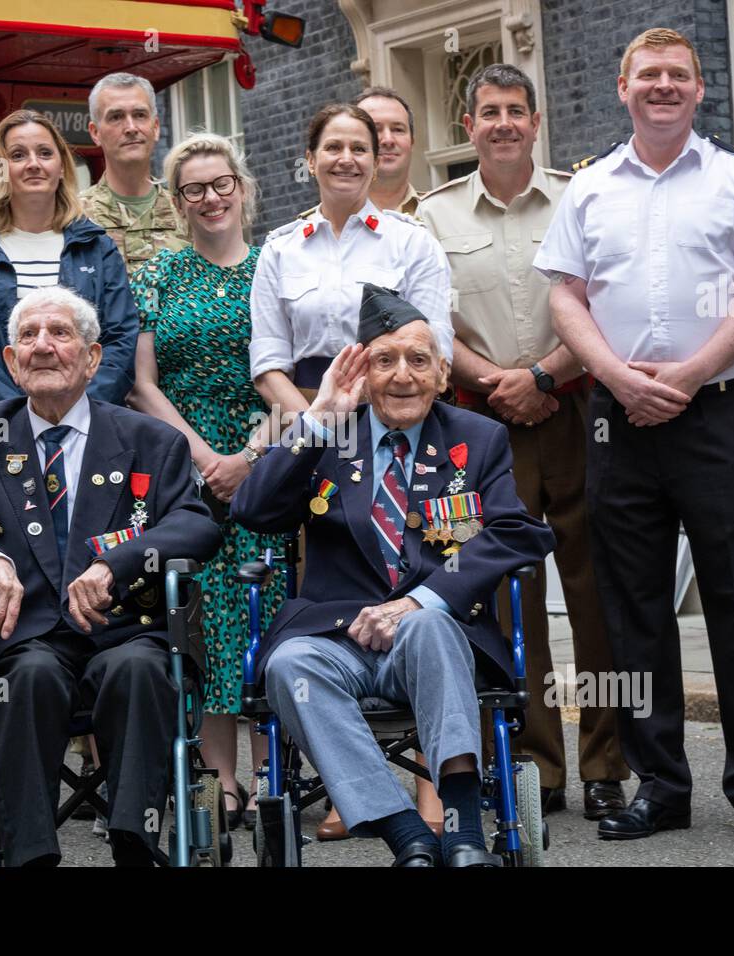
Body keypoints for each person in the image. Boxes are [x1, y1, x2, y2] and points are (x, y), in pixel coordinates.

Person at [534, 28, 734, 844]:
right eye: (647, 75)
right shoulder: (589, 189)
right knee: (631, 610)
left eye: (677, 75)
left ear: (697, 89)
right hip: (619, 416)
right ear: (623, 87)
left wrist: (685, 377)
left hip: (715, 411)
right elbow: (566, 298)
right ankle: (661, 785)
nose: (662, 86)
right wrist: (617, 378)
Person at [231, 286, 556, 866]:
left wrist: (422, 600)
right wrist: (319, 416)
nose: (402, 376)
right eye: (384, 361)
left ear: (442, 374)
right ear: (362, 374)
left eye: (418, 360)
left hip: (437, 640)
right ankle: (405, 832)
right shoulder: (331, 434)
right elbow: (252, 511)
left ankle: (461, 829)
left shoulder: (476, 439)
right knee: (287, 663)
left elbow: (516, 532)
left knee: (429, 626)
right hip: (336, 638)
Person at [0, 286, 222, 866]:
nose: (43, 347)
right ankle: (30, 855)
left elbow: (196, 525)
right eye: (28, 337)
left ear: (92, 358)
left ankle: (136, 841)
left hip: (124, 629)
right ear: (10, 362)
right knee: (27, 678)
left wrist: (118, 562)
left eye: (59, 334)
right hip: (25, 634)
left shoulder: (149, 439)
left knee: (139, 669)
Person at [419, 63, 629, 820]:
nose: (503, 122)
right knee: (511, 598)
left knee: (594, 586)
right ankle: (538, 763)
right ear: (468, 126)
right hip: (481, 425)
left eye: (516, 110)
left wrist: (542, 375)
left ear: (536, 123)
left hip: (576, 409)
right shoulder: (433, 216)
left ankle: (606, 762)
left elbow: (605, 302)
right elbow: (428, 322)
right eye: (488, 111)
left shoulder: (583, 199)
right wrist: (501, 382)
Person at [129, 133, 284, 831]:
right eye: (194, 189)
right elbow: (139, 382)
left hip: (270, 462)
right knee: (201, 620)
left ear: (242, 188)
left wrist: (246, 458)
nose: (211, 198)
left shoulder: (276, 267)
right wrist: (203, 457)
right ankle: (219, 778)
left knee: (266, 613)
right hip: (182, 469)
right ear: (178, 200)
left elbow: (296, 375)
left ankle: (270, 772)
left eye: (221, 184)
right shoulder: (159, 274)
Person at [250, 103, 453, 418]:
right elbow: (268, 362)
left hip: (395, 413)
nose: (346, 159)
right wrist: (314, 429)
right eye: (333, 147)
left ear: (374, 163)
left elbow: (434, 350)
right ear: (311, 160)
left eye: (359, 149)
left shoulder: (413, 243)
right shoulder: (279, 251)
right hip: (302, 412)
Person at [0, 109, 138, 411]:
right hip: (3, 427)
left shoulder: (97, 247)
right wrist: (24, 418)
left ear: (61, 167)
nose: (33, 164)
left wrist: (80, 413)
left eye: (45, 153)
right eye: (18, 155)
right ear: (1, 169)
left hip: (90, 426)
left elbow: (121, 339)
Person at [80, 72, 188, 275]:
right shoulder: (75, 218)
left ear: (155, 127)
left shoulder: (188, 212)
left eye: (139, 115)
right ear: (95, 133)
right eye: (116, 117)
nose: (130, 127)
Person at [297, 87, 422, 219]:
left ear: (412, 141)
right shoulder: (307, 229)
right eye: (375, 129)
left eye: (398, 129)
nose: (388, 140)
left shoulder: (440, 212)